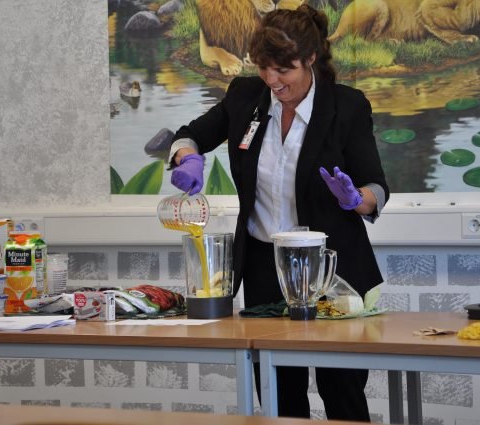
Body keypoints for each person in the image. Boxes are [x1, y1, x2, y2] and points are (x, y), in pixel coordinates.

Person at [167, 4, 389, 421]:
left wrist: (353, 199)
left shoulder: (347, 106)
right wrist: (186, 158)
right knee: (277, 391)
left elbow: (376, 187)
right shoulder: (245, 98)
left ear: (309, 59)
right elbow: (190, 135)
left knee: (341, 392)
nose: (272, 80)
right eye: (264, 68)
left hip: (332, 267)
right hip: (265, 267)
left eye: (283, 69)